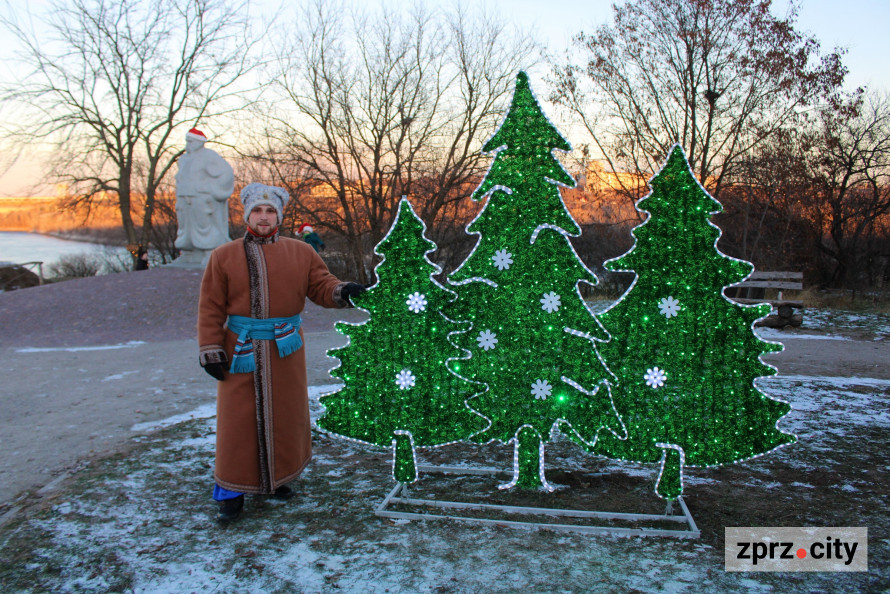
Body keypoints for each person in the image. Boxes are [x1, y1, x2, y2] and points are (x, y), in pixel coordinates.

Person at [197, 182, 365, 524]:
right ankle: (231, 490)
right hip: (240, 348)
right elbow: (211, 306)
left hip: (285, 348)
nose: (263, 217)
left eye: (269, 210)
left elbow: (321, 285)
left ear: (280, 216)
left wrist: (344, 290)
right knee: (238, 421)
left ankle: (277, 478)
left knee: (285, 415)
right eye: (257, 211)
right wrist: (210, 348)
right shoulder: (223, 256)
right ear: (246, 215)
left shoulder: (301, 252)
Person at [174, 128, 235, 253]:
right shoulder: (184, 159)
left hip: (201, 198)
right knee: (185, 225)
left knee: (204, 225)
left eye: (190, 141)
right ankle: (188, 251)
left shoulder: (209, 156)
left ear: (199, 142)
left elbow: (227, 173)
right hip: (184, 198)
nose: (188, 144)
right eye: (187, 141)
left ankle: (211, 251)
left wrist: (211, 189)